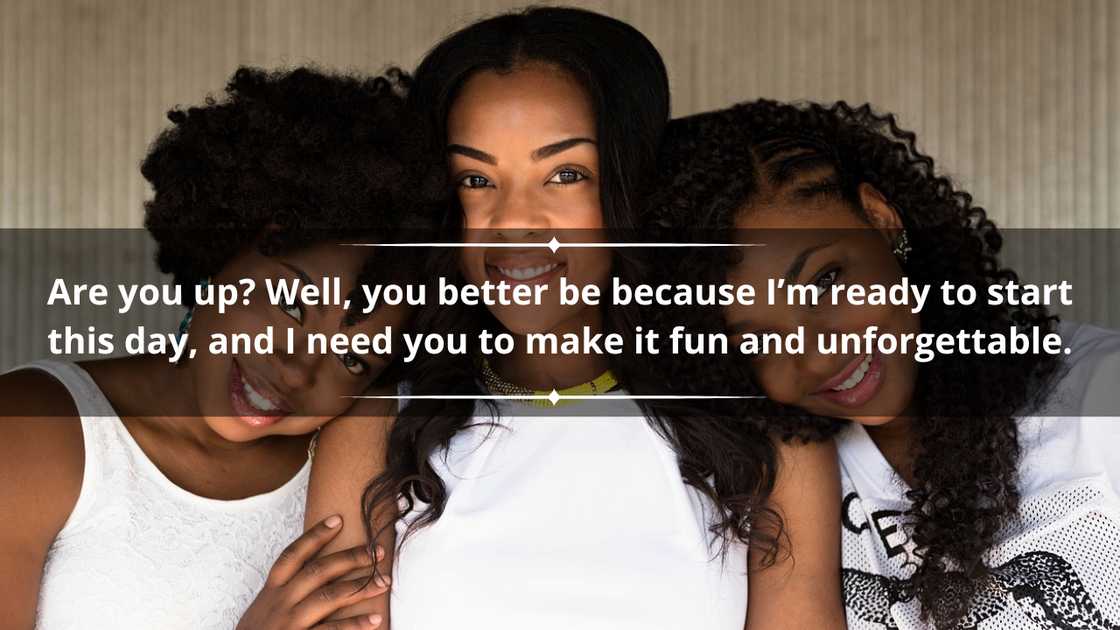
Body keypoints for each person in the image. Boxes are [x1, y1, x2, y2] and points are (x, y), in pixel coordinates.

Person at [305, 8, 845, 630]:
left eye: (565, 174)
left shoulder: (767, 431)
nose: (515, 221)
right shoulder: (378, 426)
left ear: (630, 186)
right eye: (477, 179)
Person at [647, 98, 1120, 629]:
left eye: (827, 283)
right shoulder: (764, 490)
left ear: (881, 219)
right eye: (759, 339)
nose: (819, 354)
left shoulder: (1100, 399)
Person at [0, 65, 437, 629]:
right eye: (292, 302)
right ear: (224, 246)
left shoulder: (350, 472)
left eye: (352, 358)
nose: (299, 370)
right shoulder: (38, 426)